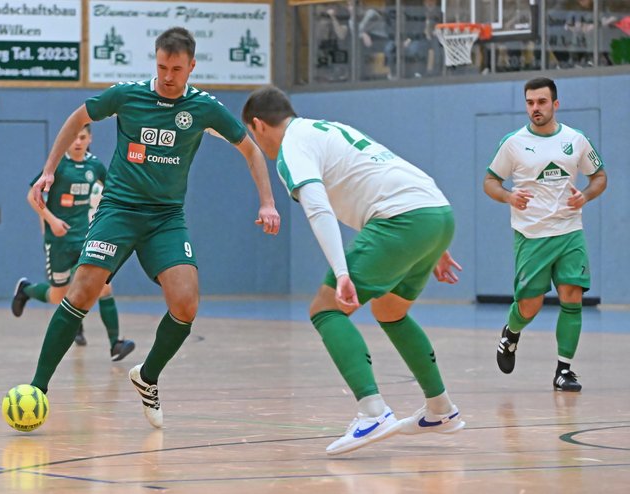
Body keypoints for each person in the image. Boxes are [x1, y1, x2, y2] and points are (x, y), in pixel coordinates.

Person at [25, 27, 280, 428]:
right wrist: (49, 170)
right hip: (119, 210)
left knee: (186, 303)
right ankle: (37, 388)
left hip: (165, 218)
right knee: (83, 289)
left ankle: (147, 376)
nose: (167, 76)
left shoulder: (203, 108)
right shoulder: (128, 95)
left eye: (176, 69)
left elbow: (251, 150)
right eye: (162, 67)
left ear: (191, 66)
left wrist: (267, 201)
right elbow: (79, 117)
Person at [242, 86, 464, 456]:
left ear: (258, 125)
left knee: (326, 309)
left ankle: (373, 412)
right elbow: (387, 172)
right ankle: (440, 409)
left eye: (252, 134)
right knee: (390, 311)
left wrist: (341, 271)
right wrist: (433, 239)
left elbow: (318, 209)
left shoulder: (291, 149)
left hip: (402, 219)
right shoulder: (327, 128)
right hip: (435, 212)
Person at [484, 77, 607, 392]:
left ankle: (564, 371)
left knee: (572, 297)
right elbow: (490, 181)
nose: (535, 108)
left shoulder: (576, 139)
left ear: (555, 104)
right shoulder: (513, 143)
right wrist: (509, 196)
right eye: (530, 102)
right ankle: (511, 333)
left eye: (541, 102)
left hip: (569, 231)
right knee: (530, 305)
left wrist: (585, 196)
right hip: (531, 234)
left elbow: (599, 176)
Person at [11, 124, 134, 357]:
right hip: (58, 240)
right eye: (74, 137)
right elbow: (32, 196)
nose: (78, 142)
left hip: (84, 238)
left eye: (82, 137)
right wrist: (52, 221)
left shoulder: (94, 166)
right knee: (59, 295)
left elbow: (113, 192)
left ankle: (116, 344)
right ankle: (26, 290)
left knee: (104, 286)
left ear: (90, 139)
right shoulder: (57, 165)